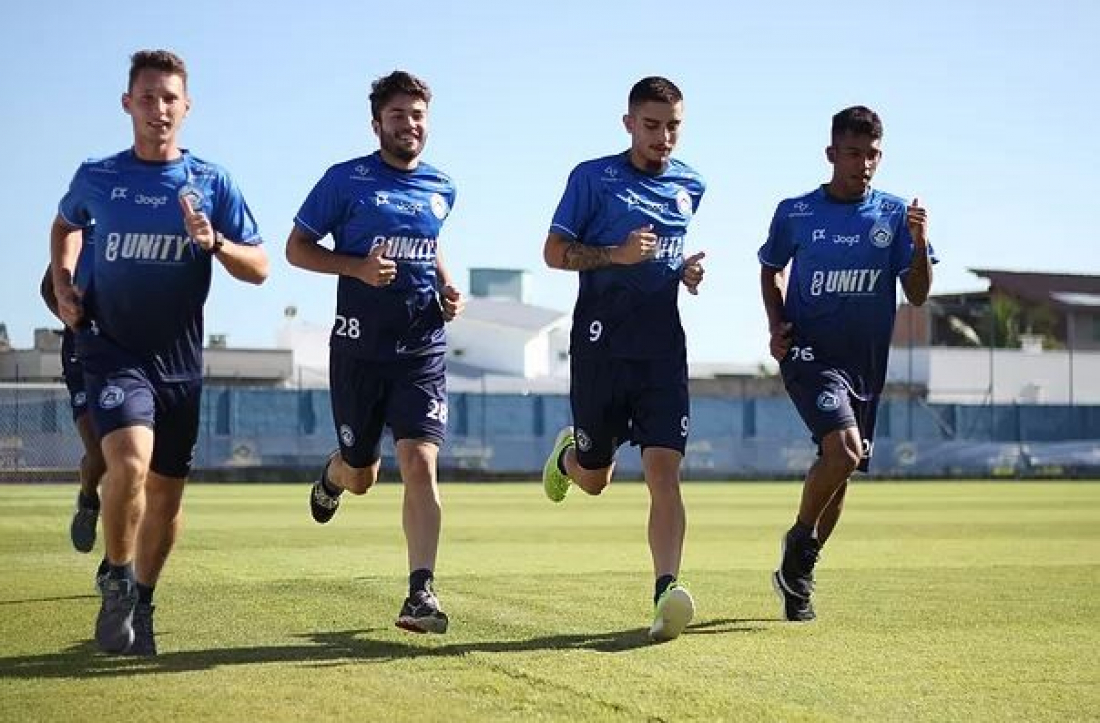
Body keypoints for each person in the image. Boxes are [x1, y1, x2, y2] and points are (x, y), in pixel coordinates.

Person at [50, 49, 268, 655]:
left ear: (187, 107)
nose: (158, 109)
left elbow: (260, 268)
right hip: (113, 350)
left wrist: (216, 241)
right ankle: (117, 578)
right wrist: (65, 283)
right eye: (147, 98)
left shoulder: (212, 182)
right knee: (129, 462)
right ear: (128, 104)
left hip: (181, 364)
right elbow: (64, 225)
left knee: (166, 498)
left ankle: (142, 603)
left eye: (170, 98)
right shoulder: (99, 175)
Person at [286, 70, 463, 635]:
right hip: (360, 350)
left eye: (417, 115)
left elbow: (430, 245)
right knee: (362, 474)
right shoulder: (346, 181)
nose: (409, 125)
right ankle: (332, 479)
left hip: (422, 348)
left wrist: (445, 285)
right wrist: (357, 267)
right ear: (376, 123)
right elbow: (297, 248)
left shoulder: (443, 186)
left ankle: (420, 594)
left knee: (421, 462)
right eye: (397, 116)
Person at [540, 76, 707, 642]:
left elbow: (668, 255)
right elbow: (554, 252)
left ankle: (666, 592)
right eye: (652, 125)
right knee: (594, 480)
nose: (663, 137)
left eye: (673, 127)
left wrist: (684, 272)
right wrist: (615, 254)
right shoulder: (593, 179)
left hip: (663, 349)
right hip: (600, 346)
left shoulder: (692, 185)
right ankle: (569, 459)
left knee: (665, 472)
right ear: (630, 123)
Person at [758, 106, 935, 622]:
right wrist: (775, 324)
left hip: (865, 367)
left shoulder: (896, 216)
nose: (863, 164)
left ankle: (799, 575)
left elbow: (919, 295)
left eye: (872, 154)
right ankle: (798, 545)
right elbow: (770, 270)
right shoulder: (796, 212)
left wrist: (920, 244)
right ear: (832, 154)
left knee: (845, 468)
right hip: (809, 354)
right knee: (845, 450)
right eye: (853, 153)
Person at [39, 236, 108, 572]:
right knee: (99, 454)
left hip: (129, 354)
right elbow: (47, 288)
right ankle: (88, 500)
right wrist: (74, 323)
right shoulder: (84, 237)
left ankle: (117, 563)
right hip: (82, 354)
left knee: (135, 462)